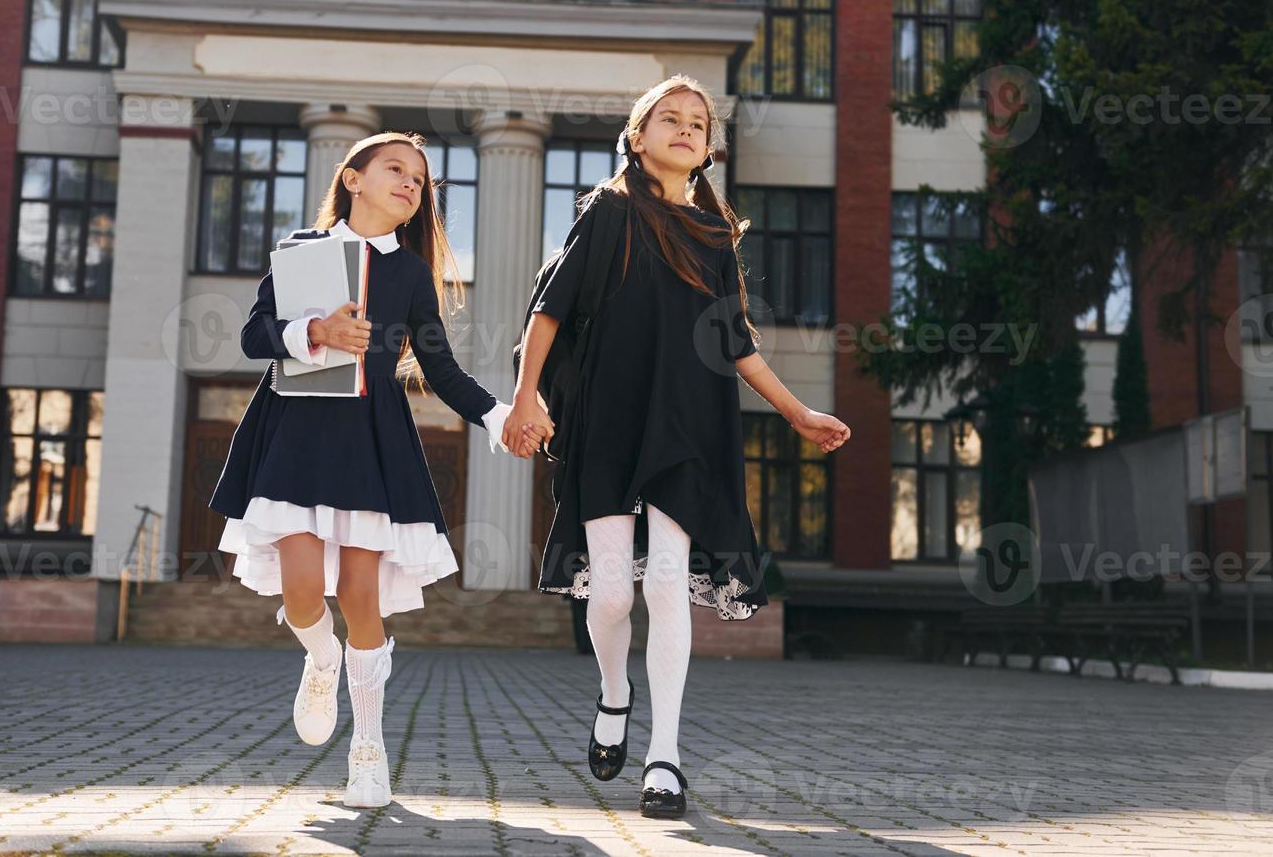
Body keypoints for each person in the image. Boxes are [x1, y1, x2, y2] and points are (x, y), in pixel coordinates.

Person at [504, 76, 850, 818]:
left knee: (665, 584)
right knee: (613, 591)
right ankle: (613, 691)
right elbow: (548, 312)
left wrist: (796, 412)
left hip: (689, 422)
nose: (687, 129)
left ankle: (664, 756)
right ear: (638, 136)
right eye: (671, 118)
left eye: (699, 122)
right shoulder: (608, 212)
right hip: (608, 419)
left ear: (707, 147)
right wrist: (528, 395)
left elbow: (735, 343)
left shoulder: (715, 233)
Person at [210, 131, 549, 808]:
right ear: (354, 178)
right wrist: (313, 332)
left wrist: (500, 415)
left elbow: (441, 367)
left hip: (370, 440)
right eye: (395, 170)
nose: (409, 186)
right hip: (295, 435)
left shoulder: (409, 274)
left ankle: (368, 748)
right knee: (304, 594)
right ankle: (321, 658)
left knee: (361, 597)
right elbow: (254, 336)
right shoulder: (304, 251)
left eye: (419, 182)